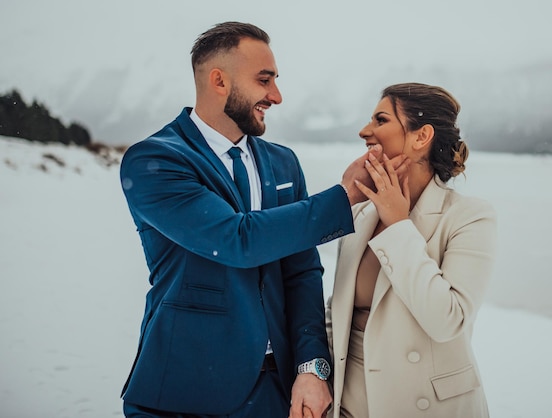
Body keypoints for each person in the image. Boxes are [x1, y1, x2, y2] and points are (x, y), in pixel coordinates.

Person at [119, 22, 408, 418]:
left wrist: (311, 367)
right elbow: (236, 240)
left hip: (278, 394)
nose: (276, 95)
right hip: (183, 392)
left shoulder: (283, 162)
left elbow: (302, 272)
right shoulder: (157, 161)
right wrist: (344, 197)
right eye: (264, 80)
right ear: (219, 80)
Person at [325, 83, 497, 417]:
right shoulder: (360, 214)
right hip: (349, 403)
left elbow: (447, 320)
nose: (365, 131)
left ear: (421, 137)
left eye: (380, 120)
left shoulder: (469, 217)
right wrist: (315, 377)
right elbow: (338, 312)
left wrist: (399, 225)